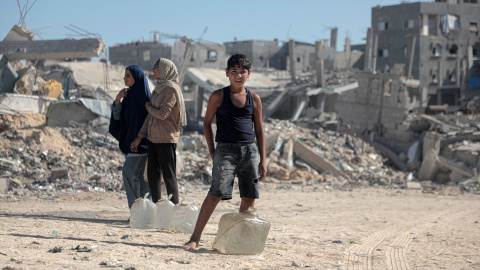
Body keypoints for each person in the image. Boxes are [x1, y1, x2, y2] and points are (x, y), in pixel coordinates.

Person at [183, 53, 267, 250]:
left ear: (249, 74)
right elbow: (206, 124)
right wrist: (213, 150)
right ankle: (194, 238)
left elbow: (259, 129)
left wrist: (263, 160)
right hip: (225, 151)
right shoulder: (218, 96)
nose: (238, 76)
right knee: (216, 192)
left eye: (242, 72)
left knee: (249, 195)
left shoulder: (254, 99)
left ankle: (241, 238)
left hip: (250, 153)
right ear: (227, 73)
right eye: (234, 72)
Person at [130, 58, 187, 205]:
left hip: (166, 139)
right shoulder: (158, 88)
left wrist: (148, 107)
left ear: (165, 70)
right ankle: (158, 208)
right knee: (153, 175)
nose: (154, 70)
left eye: (156, 67)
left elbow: (162, 114)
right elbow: (151, 117)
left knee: (169, 176)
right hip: (153, 138)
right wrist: (139, 136)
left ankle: (173, 208)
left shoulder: (171, 90)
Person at [109, 65, 151, 210]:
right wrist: (117, 100)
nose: (125, 78)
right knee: (139, 178)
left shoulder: (146, 99)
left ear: (137, 78)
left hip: (144, 144)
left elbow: (149, 122)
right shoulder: (128, 97)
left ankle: (137, 211)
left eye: (128, 75)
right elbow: (118, 119)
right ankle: (142, 212)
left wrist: (139, 137)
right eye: (125, 75)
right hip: (131, 144)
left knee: (130, 173)